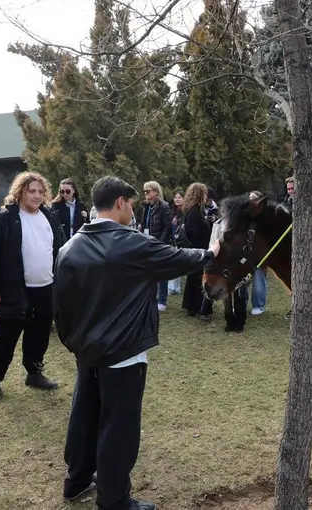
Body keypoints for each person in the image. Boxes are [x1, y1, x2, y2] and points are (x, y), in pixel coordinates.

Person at [54, 176, 221, 510]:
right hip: (124, 352)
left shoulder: (69, 246)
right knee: (119, 426)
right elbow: (177, 257)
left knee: (85, 414)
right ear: (119, 202)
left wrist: (75, 342)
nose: (133, 208)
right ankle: (114, 499)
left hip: (87, 351)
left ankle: (77, 479)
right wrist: (211, 253)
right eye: (130, 203)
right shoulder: (130, 243)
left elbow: (60, 306)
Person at [0, 171, 66, 401]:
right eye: (31, 191)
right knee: (7, 336)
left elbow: (59, 249)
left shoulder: (49, 216)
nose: (37, 195)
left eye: (40, 191)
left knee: (39, 334)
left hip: (45, 288)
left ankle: (34, 372)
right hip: (14, 290)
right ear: (20, 192)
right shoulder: (6, 218)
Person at [181, 182, 213, 320]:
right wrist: (199, 250)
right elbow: (192, 231)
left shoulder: (194, 210)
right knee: (200, 279)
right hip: (198, 250)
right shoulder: (194, 211)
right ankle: (200, 309)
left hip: (197, 250)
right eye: (205, 194)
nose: (206, 197)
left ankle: (191, 307)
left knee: (194, 278)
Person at [139, 181, 173, 311]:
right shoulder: (146, 206)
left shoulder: (164, 207)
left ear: (156, 192)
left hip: (159, 242)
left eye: (148, 191)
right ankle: (151, 297)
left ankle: (162, 300)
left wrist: (160, 242)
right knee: (149, 271)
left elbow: (168, 226)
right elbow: (143, 223)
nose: (146, 194)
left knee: (161, 272)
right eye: (145, 191)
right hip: (147, 241)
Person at [52, 178, 89, 242]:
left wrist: (86, 217)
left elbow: (87, 225)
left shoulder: (81, 205)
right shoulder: (56, 205)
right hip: (62, 241)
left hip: (78, 240)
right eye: (62, 192)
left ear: (74, 190)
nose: (65, 194)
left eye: (68, 191)